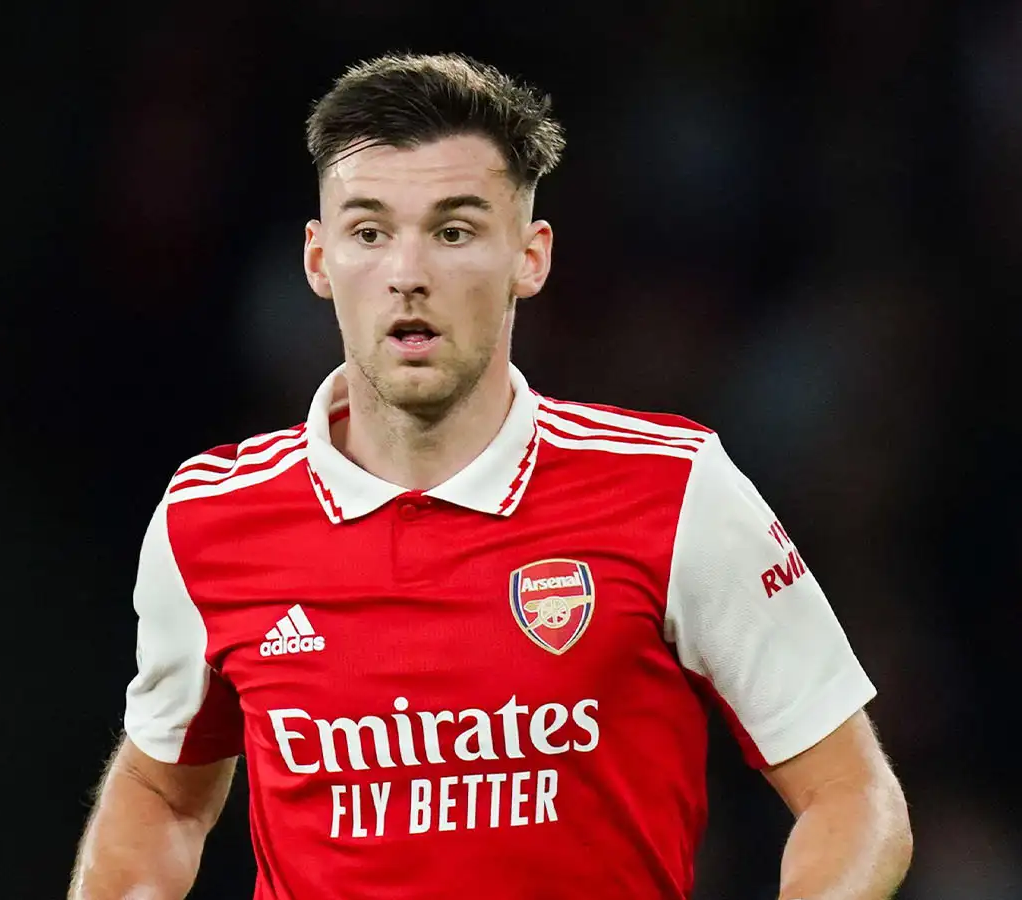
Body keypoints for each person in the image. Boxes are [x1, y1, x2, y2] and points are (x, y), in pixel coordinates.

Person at [69, 52, 912, 900]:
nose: (408, 272)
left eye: (454, 230)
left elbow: (850, 794)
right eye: (369, 231)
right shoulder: (211, 518)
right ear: (318, 261)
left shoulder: (673, 489)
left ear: (530, 256)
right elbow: (162, 798)